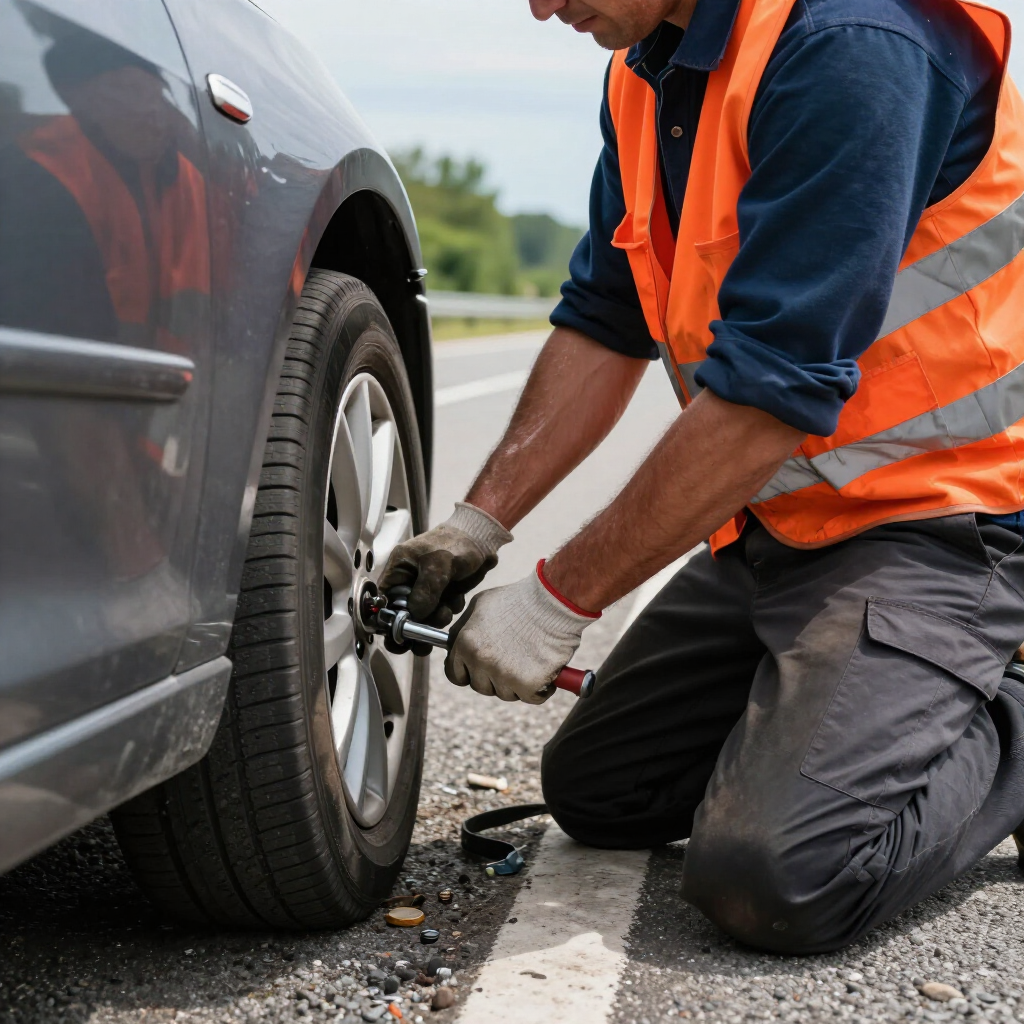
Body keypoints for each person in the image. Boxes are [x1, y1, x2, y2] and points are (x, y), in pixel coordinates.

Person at [381, 0, 1024, 953]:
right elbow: (606, 318)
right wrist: (478, 523)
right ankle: (850, 709)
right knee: (603, 792)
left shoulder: (856, 45)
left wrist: (557, 601)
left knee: (778, 873)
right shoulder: (648, 71)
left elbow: (773, 391)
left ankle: (1003, 706)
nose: (539, 4)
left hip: (946, 529)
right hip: (779, 529)